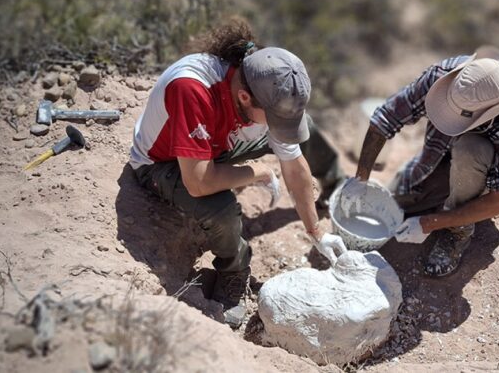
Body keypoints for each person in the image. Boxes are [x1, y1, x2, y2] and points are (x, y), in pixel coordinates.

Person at [128, 18, 347, 327]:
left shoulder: (263, 87)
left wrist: (316, 232)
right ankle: (233, 273)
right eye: (273, 118)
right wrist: (255, 171)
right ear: (244, 97)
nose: (277, 125)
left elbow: (294, 167)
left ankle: (336, 184)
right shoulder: (192, 89)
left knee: (304, 129)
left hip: (217, 144)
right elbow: (199, 182)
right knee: (222, 208)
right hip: (162, 162)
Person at [350, 46, 499, 277]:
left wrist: (430, 223)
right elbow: (385, 118)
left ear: (491, 111)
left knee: (470, 149)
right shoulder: (444, 75)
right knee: (396, 204)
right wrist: (360, 180)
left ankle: (457, 232)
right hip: (442, 152)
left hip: (491, 172)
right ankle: (442, 193)